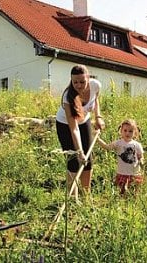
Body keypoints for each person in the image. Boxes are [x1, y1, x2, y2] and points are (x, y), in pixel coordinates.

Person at [55, 65, 105, 198]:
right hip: (65, 126)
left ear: (88, 78)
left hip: (85, 121)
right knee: (74, 161)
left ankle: (86, 196)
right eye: (75, 82)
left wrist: (98, 117)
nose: (78, 85)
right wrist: (79, 152)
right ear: (71, 80)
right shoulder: (68, 97)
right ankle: (72, 198)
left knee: (88, 160)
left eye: (82, 81)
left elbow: (96, 100)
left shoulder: (95, 85)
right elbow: (74, 128)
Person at [95, 119, 144, 196]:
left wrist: (141, 161)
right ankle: (123, 205)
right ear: (121, 131)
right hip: (122, 172)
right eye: (125, 130)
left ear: (135, 133)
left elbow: (141, 157)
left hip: (134, 173)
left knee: (134, 193)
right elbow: (107, 147)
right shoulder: (118, 143)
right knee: (122, 193)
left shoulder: (137, 145)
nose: (127, 133)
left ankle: (133, 204)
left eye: (130, 131)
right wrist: (98, 139)